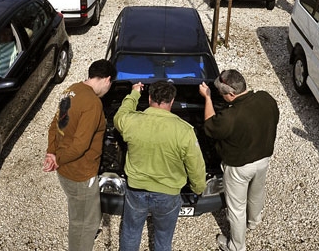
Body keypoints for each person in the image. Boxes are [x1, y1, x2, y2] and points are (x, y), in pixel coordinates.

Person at [114, 80, 206, 251]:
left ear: (149, 98)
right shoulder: (184, 130)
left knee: (131, 232)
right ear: (172, 101)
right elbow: (196, 165)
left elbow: (119, 115)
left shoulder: (130, 122)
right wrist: (198, 187)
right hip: (168, 193)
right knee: (164, 238)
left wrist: (134, 93)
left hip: (136, 190)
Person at [198, 70, 279, 251]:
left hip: (239, 167)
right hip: (264, 159)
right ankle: (254, 221)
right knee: (257, 191)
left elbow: (210, 127)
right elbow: (274, 120)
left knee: (236, 208)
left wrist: (208, 98)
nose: (221, 96)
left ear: (232, 94)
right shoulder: (266, 98)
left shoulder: (230, 117)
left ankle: (236, 246)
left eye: (222, 94)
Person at [44, 59, 116, 251]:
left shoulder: (71, 90)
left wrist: (52, 153)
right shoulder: (93, 103)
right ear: (107, 79)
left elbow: (55, 126)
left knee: (77, 214)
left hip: (65, 170)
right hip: (81, 173)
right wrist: (56, 159)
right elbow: (81, 145)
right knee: (85, 224)